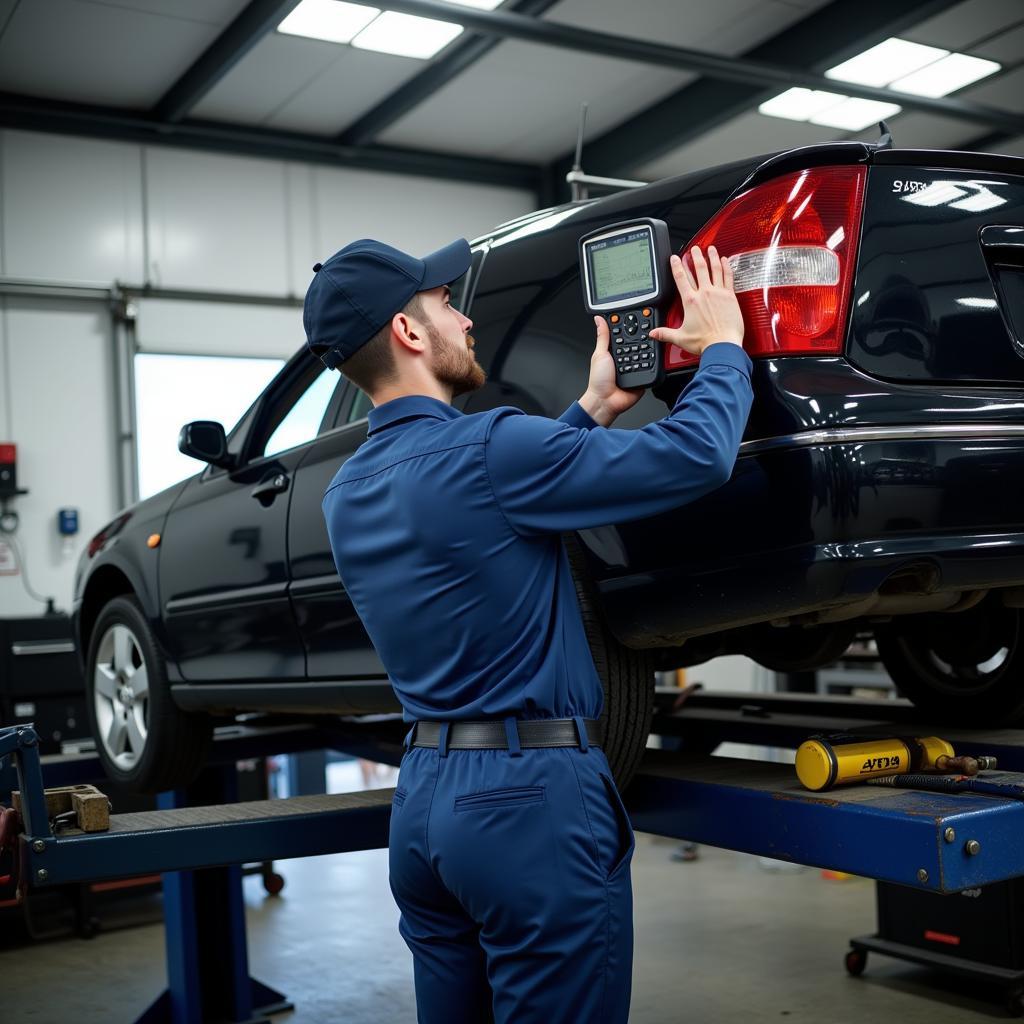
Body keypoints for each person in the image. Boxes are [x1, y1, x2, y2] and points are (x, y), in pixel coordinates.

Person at [304, 235, 752, 1024]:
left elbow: (482, 521)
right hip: (528, 806)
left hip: (424, 812)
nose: (465, 318)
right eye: (445, 304)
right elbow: (698, 457)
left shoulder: (346, 493)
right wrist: (722, 348)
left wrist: (592, 411)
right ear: (409, 334)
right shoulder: (493, 445)